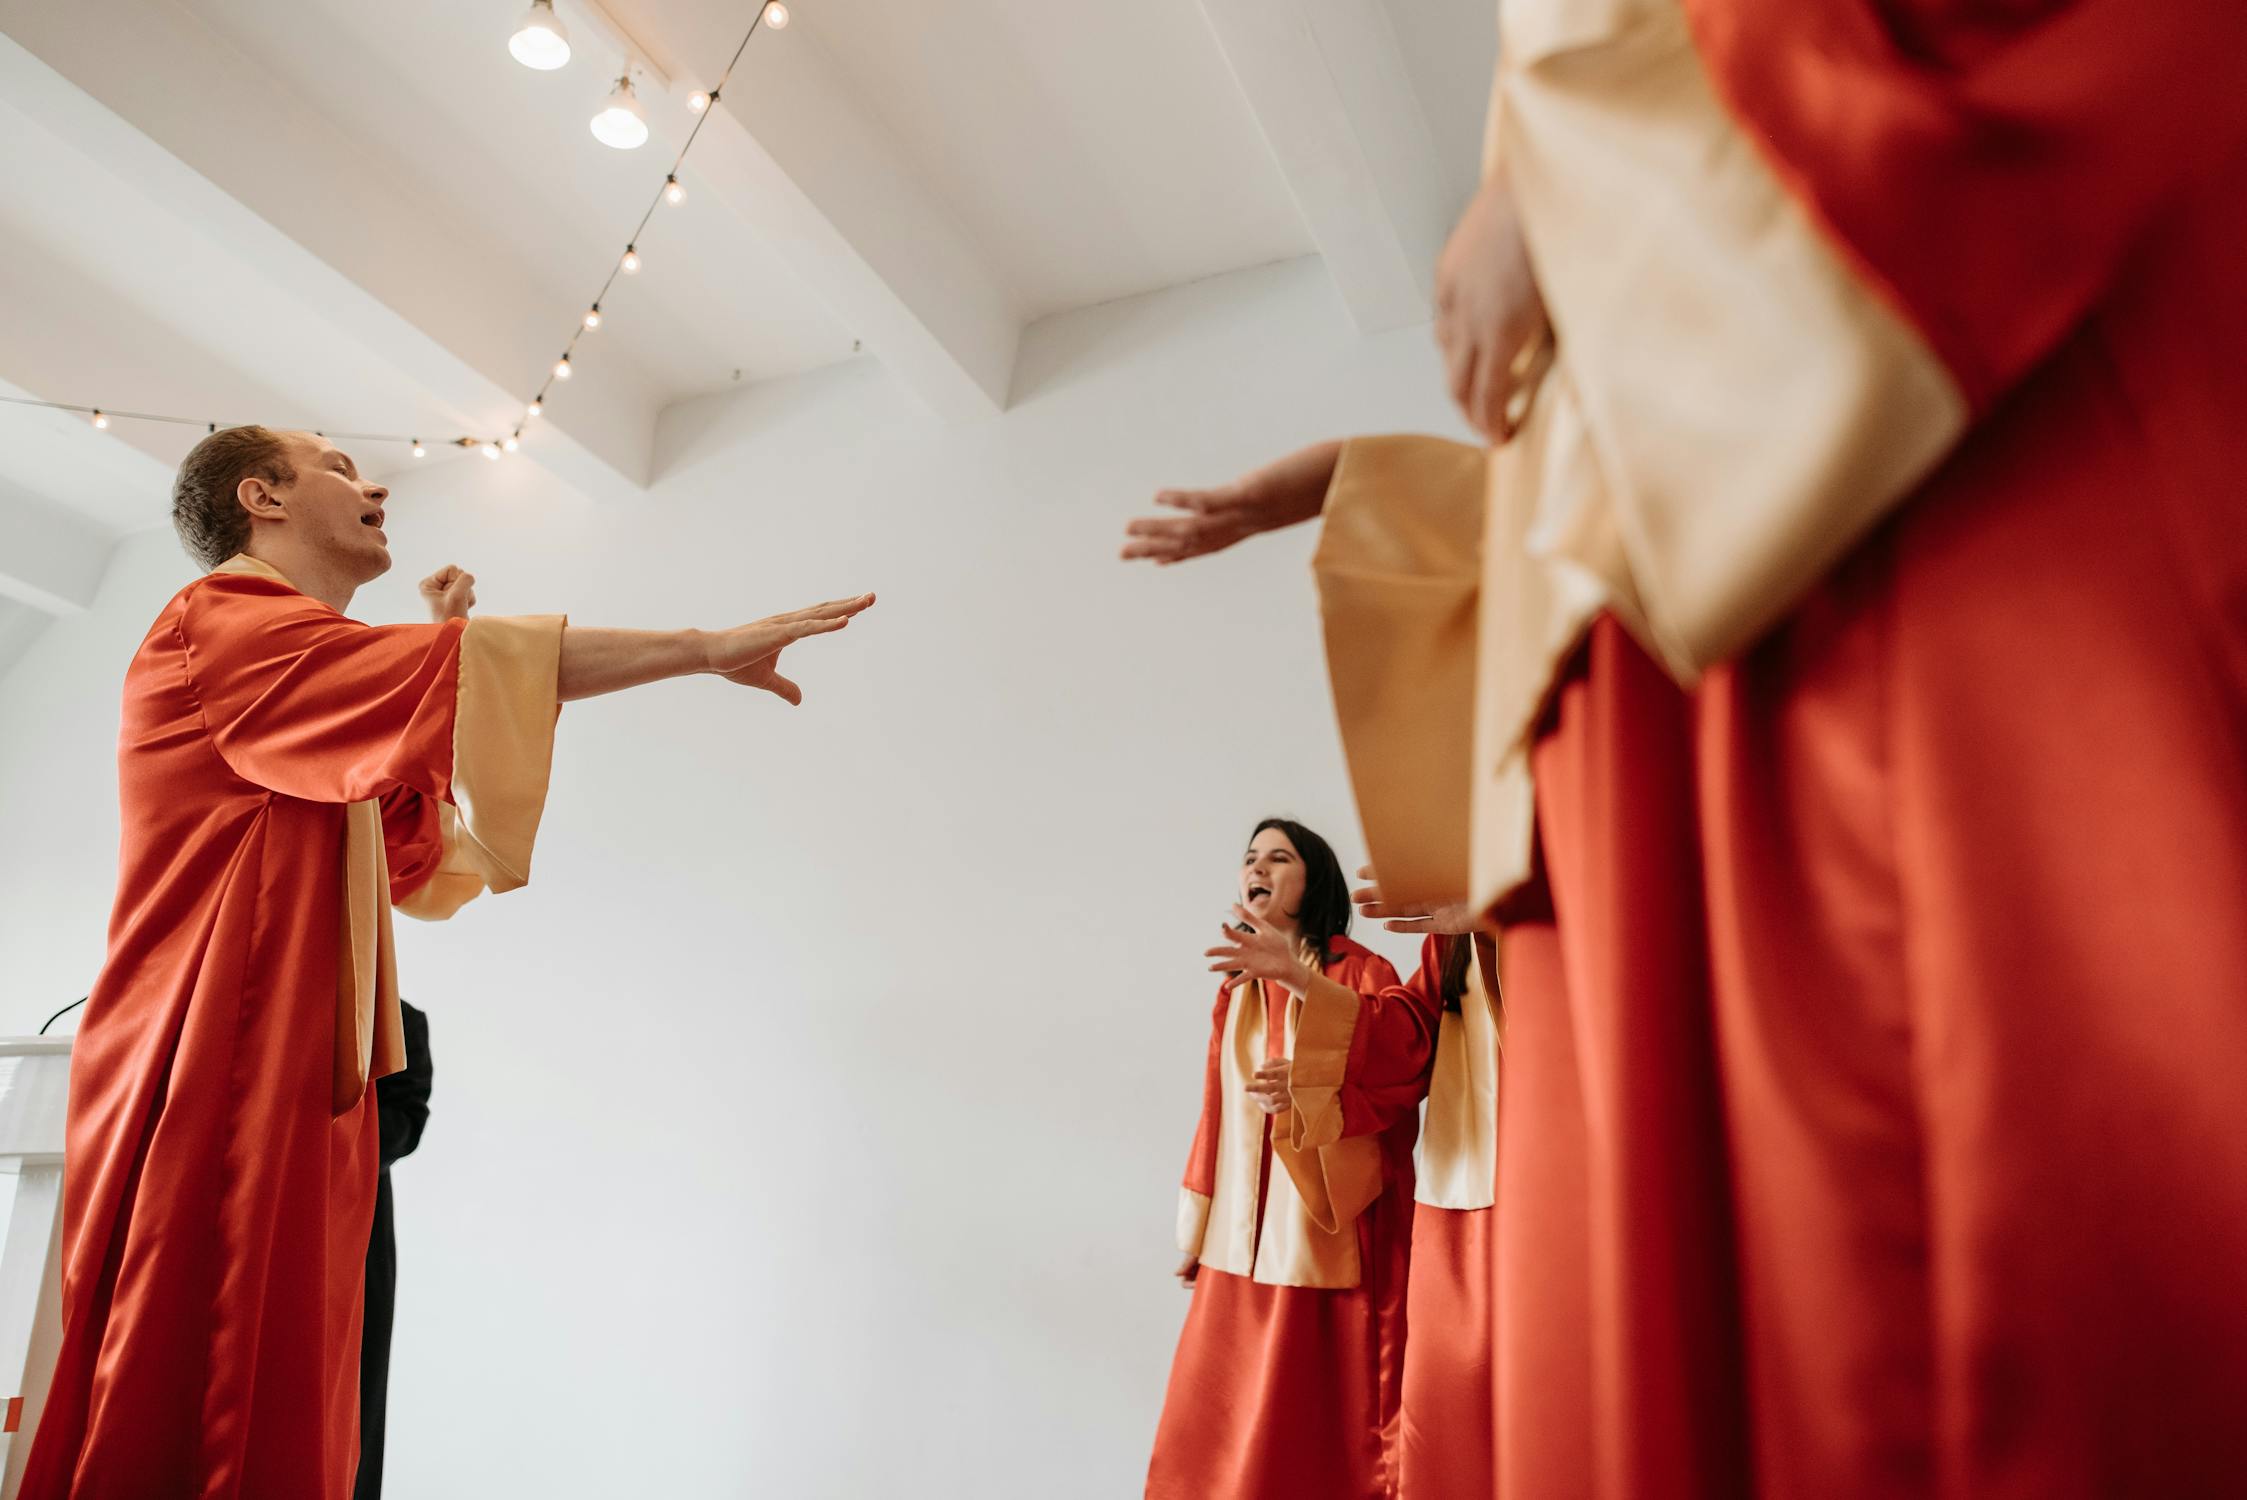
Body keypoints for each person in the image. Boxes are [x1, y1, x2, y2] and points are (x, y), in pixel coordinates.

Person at [22, 424, 872, 1500]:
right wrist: (700, 647)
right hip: (209, 1062)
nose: (371, 480)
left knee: (311, 1394)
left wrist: (438, 657)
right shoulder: (217, 627)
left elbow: (411, 854)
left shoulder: (300, 669)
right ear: (261, 498)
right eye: (335, 465)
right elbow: (451, 687)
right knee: (206, 1383)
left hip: (306, 1081)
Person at [1145, 819, 1412, 1500]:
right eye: (1249, 859)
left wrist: (1310, 1062)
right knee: (1221, 1409)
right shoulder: (1234, 989)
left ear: (1312, 878)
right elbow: (1216, 1110)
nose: (1257, 868)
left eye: (1279, 857)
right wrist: (1197, 1226)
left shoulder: (1361, 971)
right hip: (1241, 1235)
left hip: (1330, 1225)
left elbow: (1395, 1078)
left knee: (1318, 1414)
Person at [355, 998, 432, 1500]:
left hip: (352, 1230)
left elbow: (406, 1121)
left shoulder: (398, 1020)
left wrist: (332, 1137)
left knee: (353, 1399)